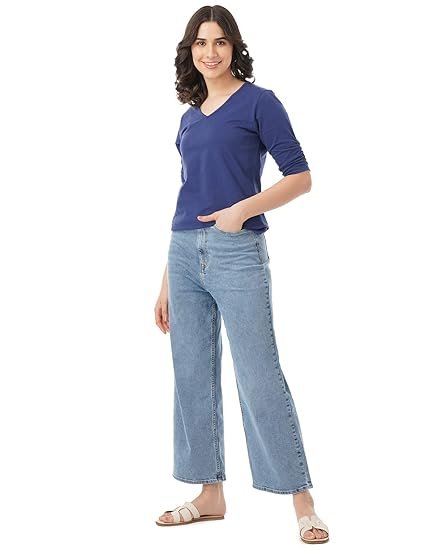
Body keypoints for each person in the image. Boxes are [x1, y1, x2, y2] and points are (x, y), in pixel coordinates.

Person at [154, 5, 329, 544]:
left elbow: (300, 176)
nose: (210, 52)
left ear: (234, 47)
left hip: (237, 251)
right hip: (184, 255)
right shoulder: (188, 117)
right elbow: (188, 195)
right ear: (190, 51)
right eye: (201, 43)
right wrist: (166, 278)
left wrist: (242, 211)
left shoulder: (259, 102)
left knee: (259, 374)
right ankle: (210, 494)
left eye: (220, 42)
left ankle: (302, 500)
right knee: (192, 374)